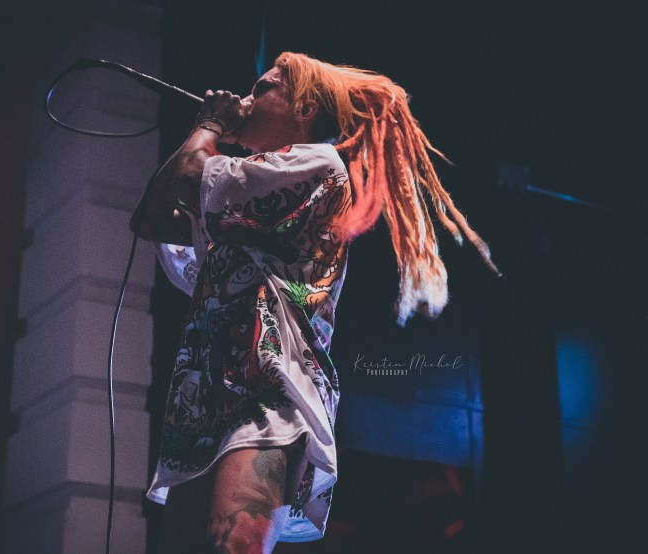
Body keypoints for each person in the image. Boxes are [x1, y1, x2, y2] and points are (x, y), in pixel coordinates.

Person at [131, 51, 500, 553]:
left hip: (270, 390)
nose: (247, 99)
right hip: (204, 398)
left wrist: (211, 124)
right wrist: (205, 129)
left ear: (303, 107)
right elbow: (151, 219)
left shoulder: (314, 164)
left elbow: (193, 176)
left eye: (262, 88)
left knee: (231, 545)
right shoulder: (237, 194)